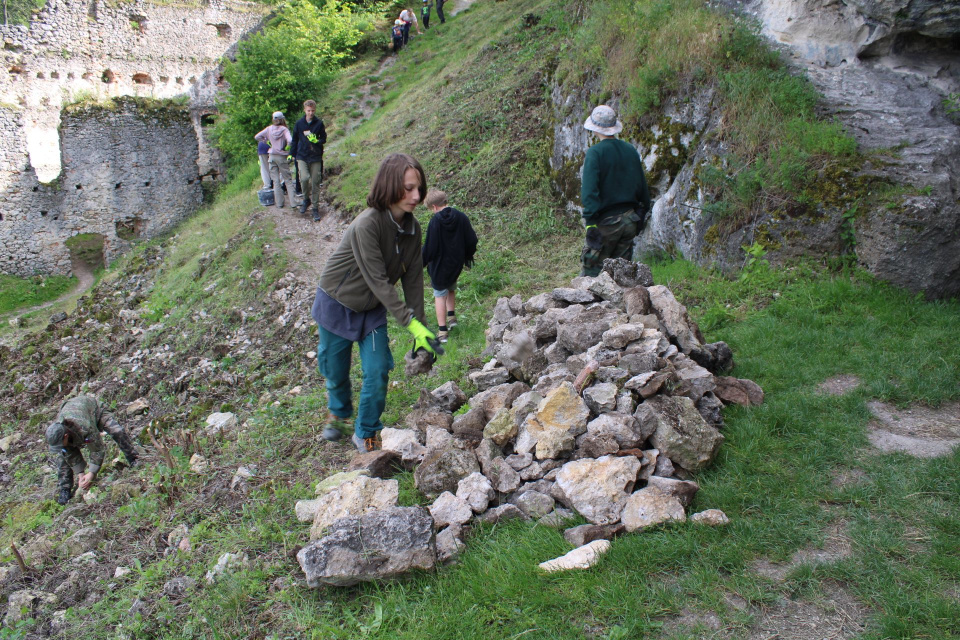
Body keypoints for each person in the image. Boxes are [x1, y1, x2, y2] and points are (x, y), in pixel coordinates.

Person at [311, 153, 437, 452]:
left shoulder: (412, 230)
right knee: (335, 371)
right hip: (336, 303)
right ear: (389, 186)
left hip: (373, 310)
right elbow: (378, 280)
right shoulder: (366, 224)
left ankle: (366, 432)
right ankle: (339, 413)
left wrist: (420, 331)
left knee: (378, 369)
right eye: (408, 188)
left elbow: (413, 281)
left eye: (419, 188)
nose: (416, 197)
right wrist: (410, 324)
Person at [579, 104, 651, 276]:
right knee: (621, 275)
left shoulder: (595, 153)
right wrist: (642, 212)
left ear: (594, 128)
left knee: (591, 274)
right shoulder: (630, 150)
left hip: (607, 224)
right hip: (630, 221)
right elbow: (642, 185)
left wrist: (590, 224)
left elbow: (589, 191)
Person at [45, 395, 139, 505]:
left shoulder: (84, 427)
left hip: (95, 410)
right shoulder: (58, 431)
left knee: (117, 431)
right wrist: (80, 474)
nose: (59, 446)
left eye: (60, 443)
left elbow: (97, 449)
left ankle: (133, 458)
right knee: (62, 456)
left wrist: (91, 473)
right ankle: (65, 489)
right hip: (75, 412)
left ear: (66, 436)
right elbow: (71, 455)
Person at [421, 189, 477, 343]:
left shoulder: (435, 222)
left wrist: (421, 262)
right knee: (451, 287)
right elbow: (472, 239)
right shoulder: (461, 216)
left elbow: (430, 247)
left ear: (434, 207)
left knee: (439, 295)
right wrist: (466, 255)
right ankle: (452, 318)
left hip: (440, 266)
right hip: (455, 263)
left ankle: (442, 331)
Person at [290, 100, 327, 221]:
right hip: (302, 155)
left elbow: (324, 138)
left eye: (312, 111)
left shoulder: (319, 123)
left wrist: (317, 141)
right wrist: (291, 154)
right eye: (308, 111)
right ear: (304, 110)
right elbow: (294, 140)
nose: (311, 113)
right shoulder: (299, 123)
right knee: (304, 178)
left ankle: (315, 207)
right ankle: (306, 199)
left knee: (316, 181)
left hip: (315, 155)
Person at [255, 112, 294, 209]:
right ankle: (293, 202)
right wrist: (287, 147)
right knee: (287, 179)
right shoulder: (284, 129)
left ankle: (279, 203)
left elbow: (257, 137)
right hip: (280, 155)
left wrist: (266, 141)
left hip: (270, 154)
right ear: (282, 119)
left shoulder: (269, 129)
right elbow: (290, 140)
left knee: (275, 180)